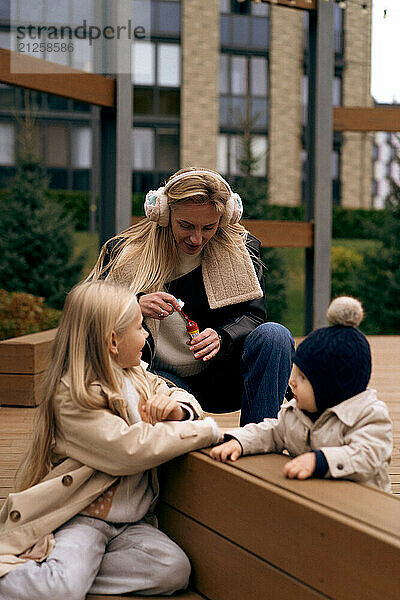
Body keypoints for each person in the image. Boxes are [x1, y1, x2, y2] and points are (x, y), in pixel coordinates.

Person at [0, 280, 221, 600]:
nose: (146, 336)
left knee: (173, 570)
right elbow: (129, 449)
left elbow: (180, 397)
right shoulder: (73, 397)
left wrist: (178, 411)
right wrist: (204, 431)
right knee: (60, 589)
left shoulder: (136, 374)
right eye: (139, 328)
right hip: (83, 518)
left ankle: (74, 575)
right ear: (113, 342)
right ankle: (53, 580)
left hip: (131, 523)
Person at [89, 167, 294, 425]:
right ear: (163, 213)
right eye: (186, 226)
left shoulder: (242, 249)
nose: (197, 239)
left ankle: (259, 438)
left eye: (209, 227)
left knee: (276, 335)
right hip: (159, 377)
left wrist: (223, 335)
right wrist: (134, 304)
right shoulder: (123, 252)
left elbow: (254, 315)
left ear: (226, 217)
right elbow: (90, 312)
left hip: (223, 375)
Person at [210, 296, 393, 492]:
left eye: (303, 378)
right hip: (315, 499)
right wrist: (240, 441)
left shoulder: (369, 415)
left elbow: (369, 455)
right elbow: (270, 431)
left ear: (330, 387)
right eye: (295, 372)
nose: (292, 382)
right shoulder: (296, 413)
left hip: (362, 508)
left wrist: (320, 461)